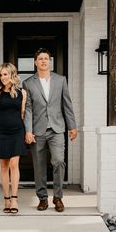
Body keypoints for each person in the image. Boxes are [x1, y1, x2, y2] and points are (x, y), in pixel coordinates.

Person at [22, 48, 78, 212]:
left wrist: (72, 126)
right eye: (40, 59)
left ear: (50, 61)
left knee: (59, 161)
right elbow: (28, 109)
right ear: (35, 62)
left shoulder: (60, 80)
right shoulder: (28, 83)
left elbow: (67, 104)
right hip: (37, 130)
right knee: (39, 166)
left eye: (46, 58)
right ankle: (42, 199)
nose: (44, 61)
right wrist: (28, 130)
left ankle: (58, 197)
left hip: (57, 128)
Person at [0, 63, 27, 214]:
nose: (3, 77)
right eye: (1, 75)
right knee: (4, 166)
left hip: (17, 131)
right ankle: (6, 199)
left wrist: (27, 132)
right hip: (0, 132)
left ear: (12, 75)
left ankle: (15, 198)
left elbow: (23, 114)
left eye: (6, 74)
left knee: (14, 164)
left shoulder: (22, 93)